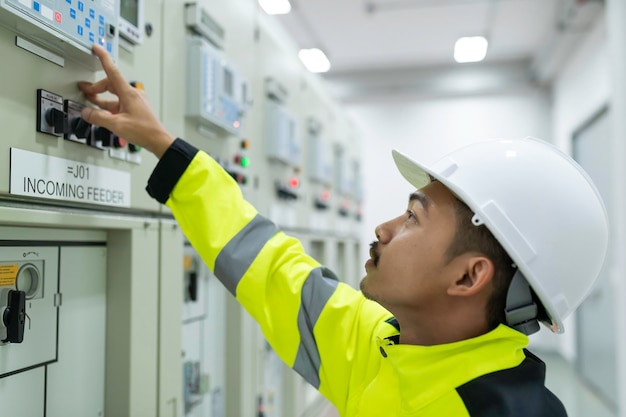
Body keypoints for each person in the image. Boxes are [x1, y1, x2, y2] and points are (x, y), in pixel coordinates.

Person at [78, 44, 609, 417]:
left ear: (469, 276)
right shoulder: (384, 346)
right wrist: (164, 146)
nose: (383, 228)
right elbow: (268, 264)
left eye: (413, 217)